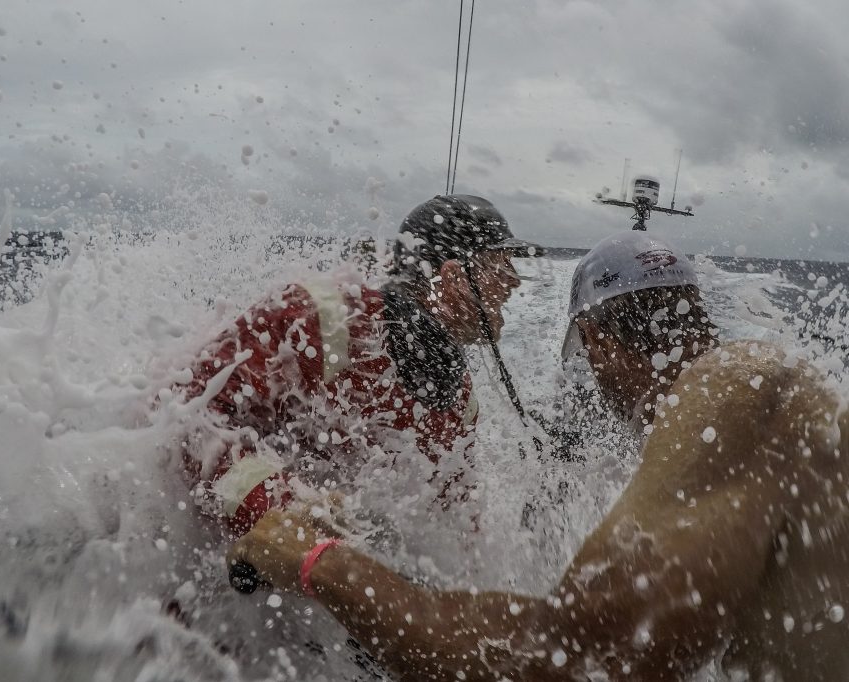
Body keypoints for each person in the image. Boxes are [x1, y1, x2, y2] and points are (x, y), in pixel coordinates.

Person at [228, 230, 849, 681]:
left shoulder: (742, 396)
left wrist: (319, 563)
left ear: (597, 344)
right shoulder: (765, 402)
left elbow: (565, 663)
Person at [159, 194, 533, 540]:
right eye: (499, 265)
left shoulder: (460, 400)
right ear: (453, 278)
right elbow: (188, 416)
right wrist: (283, 511)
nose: (514, 281)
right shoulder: (325, 319)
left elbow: (457, 525)